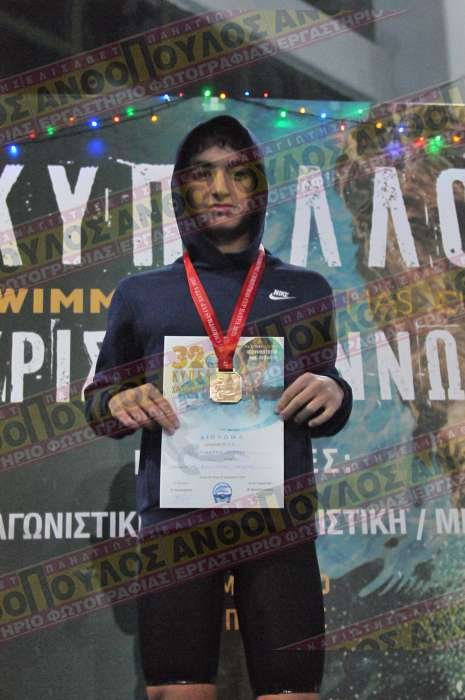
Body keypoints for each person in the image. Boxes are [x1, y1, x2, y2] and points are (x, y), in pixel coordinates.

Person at [84, 115, 353, 700]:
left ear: (258, 187)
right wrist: (118, 399)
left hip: (276, 523)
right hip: (177, 523)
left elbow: (327, 391)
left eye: (237, 173)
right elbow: (100, 401)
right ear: (182, 190)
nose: (220, 189)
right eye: (202, 175)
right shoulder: (141, 293)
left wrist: (335, 394)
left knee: (292, 692)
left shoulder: (306, 288)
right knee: (176, 690)